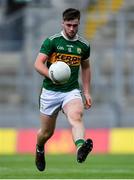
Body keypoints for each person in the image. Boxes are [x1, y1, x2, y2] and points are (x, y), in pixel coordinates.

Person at [34, 8, 93, 172]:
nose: (72, 29)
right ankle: (39, 149)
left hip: (71, 91)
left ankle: (80, 147)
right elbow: (38, 64)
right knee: (46, 133)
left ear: (79, 23)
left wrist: (87, 91)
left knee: (76, 116)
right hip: (50, 92)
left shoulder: (83, 45)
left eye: (75, 25)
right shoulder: (52, 41)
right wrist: (50, 75)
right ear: (63, 23)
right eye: (69, 25)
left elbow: (86, 68)